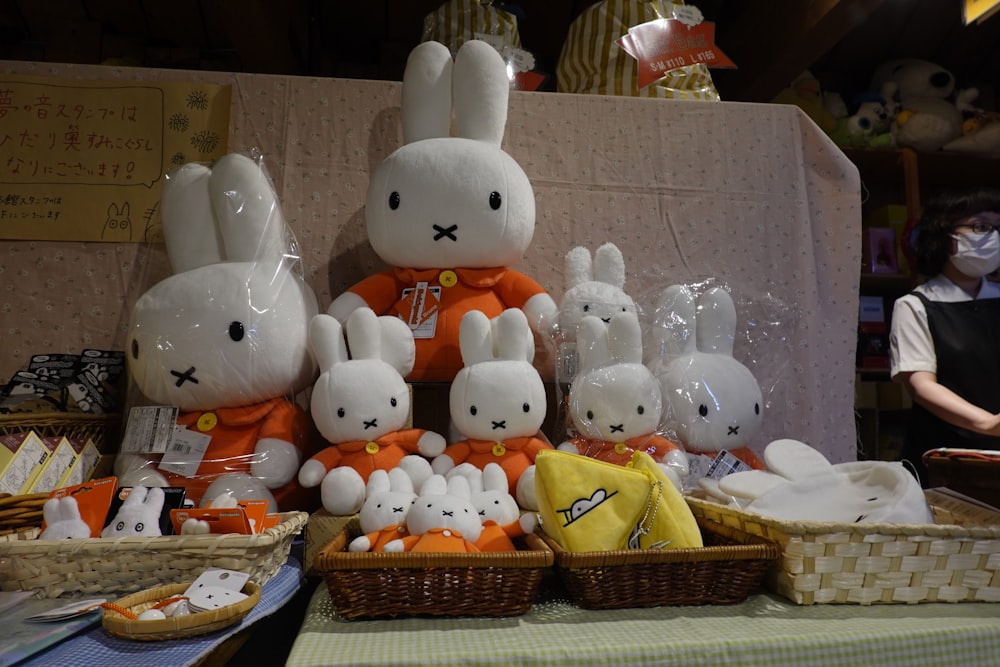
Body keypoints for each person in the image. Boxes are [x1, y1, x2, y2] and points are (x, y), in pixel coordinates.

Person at [890, 188, 1000, 486]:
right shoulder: (916, 305)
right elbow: (921, 386)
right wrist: (988, 423)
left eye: (997, 228)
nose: (991, 236)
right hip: (943, 459)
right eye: (980, 226)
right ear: (943, 235)